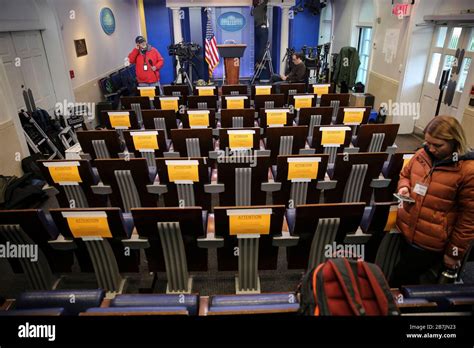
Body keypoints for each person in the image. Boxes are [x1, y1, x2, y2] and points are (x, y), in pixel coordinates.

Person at [390, 115, 474, 287]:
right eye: (428, 142)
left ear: (454, 142)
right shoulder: (422, 154)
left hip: (430, 242)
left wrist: (454, 253)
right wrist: (403, 187)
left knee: (400, 281)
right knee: (408, 280)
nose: (431, 149)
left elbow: (469, 218)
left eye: (438, 145)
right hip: (406, 229)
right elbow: (405, 175)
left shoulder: (467, 170)